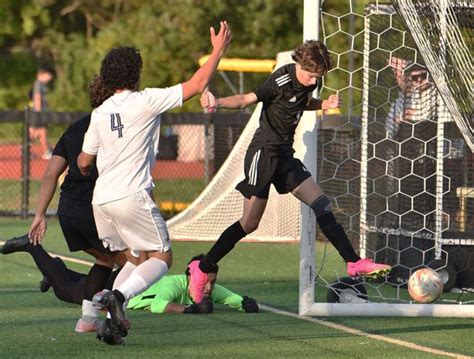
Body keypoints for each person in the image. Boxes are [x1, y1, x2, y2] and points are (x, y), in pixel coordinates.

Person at [191, 40, 392, 303]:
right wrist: (217, 101)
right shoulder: (279, 80)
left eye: (318, 78)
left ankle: (353, 262)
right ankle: (203, 267)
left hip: (285, 155)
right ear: (299, 64)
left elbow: (301, 101)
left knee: (321, 203)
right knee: (249, 224)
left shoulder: (312, 82)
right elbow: (245, 99)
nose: (313, 82)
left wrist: (323, 104)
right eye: (310, 76)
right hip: (263, 154)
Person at [77, 21, 232, 343]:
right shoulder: (146, 100)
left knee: (137, 258)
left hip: (101, 201)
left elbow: (83, 161)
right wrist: (218, 49)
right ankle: (117, 298)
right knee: (162, 258)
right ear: (136, 74)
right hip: (131, 195)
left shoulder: (100, 112)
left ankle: (110, 318)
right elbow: (198, 81)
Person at [1, 75, 127, 333]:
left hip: (67, 209)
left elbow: (49, 174)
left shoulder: (74, 129)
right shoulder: (116, 128)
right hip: (93, 209)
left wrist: (39, 215)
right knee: (136, 262)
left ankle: (88, 321)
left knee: (106, 259)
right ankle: (113, 320)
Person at [127, 255, 259, 314]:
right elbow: (157, 305)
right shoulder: (174, 284)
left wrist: (247, 304)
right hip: (127, 301)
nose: (208, 288)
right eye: (203, 281)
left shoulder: (212, 290)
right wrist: (192, 309)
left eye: (212, 282)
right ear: (190, 277)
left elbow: (235, 300)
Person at [30, 67, 54, 159]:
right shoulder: (38, 84)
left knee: (37, 132)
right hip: (38, 113)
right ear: (42, 75)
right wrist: (39, 113)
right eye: (48, 76)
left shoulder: (42, 85)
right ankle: (46, 151)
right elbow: (37, 98)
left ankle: (27, 150)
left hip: (39, 112)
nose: (49, 78)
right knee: (40, 132)